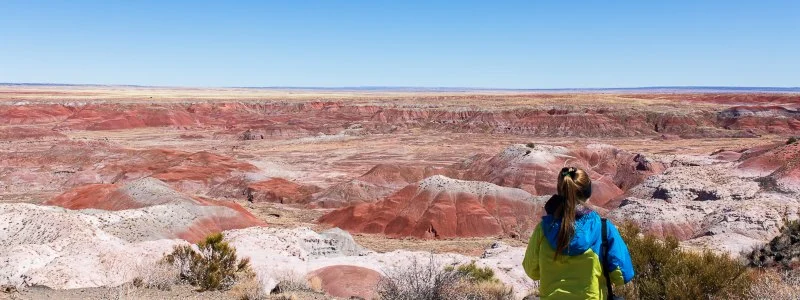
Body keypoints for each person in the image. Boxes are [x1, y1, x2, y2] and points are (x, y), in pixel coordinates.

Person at [522, 167, 634, 300]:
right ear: (588, 192)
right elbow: (622, 276)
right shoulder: (604, 229)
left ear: (560, 191)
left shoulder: (543, 230)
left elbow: (532, 271)